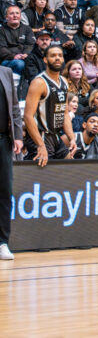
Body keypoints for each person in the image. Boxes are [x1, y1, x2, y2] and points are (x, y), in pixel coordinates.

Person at [22, 45, 75, 165]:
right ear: (45, 59)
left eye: (60, 56)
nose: (57, 58)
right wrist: (40, 145)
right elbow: (28, 116)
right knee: (43, 177)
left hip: (55, 136)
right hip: (40, 136)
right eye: (53, 55)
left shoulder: (64, 81)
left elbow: (65, 112)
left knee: (70, 168)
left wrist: (71, 138)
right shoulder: (39, 83)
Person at [0, 64, 20, 261]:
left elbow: (14, 108)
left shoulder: (5, 72)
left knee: (4, 192)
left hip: (3, 140)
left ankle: (2, 242)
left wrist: (18, 135)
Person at [0, 4, 34, 77]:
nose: (15, 15)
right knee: (19, 64)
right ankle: (15, 86)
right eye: (11, 13)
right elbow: (1, 48)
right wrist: (14, 56)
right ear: (6, 17)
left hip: (25, 58)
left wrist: (26, 54)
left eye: (17, 13)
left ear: (20, 16)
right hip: (7, 60)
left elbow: (30, 44)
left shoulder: (27, 29)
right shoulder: (1, 30)